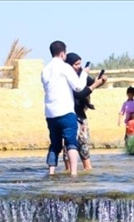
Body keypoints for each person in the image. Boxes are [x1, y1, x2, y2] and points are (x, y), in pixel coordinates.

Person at [41, 40, 89, 176]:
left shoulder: (45, 70)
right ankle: (73, 173)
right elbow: (78, 87)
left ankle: (51, 172)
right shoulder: (65, 67)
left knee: (54, 144)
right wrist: (84, 73)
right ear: (62, 53)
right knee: (71, 143)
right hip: (66, 112)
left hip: (50, 113)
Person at [63, 52, 108, 171]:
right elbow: (79, 94)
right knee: (67, 143)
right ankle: (69, 170)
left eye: (80, 64)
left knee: (83, 142)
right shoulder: (65, 76)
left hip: (80, 114)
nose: (79, 66)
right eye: (76, 64)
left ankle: (87, 168)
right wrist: (94, 85)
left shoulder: (81, 73)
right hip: (69, 114)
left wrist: (101, 81)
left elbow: (91, 85)